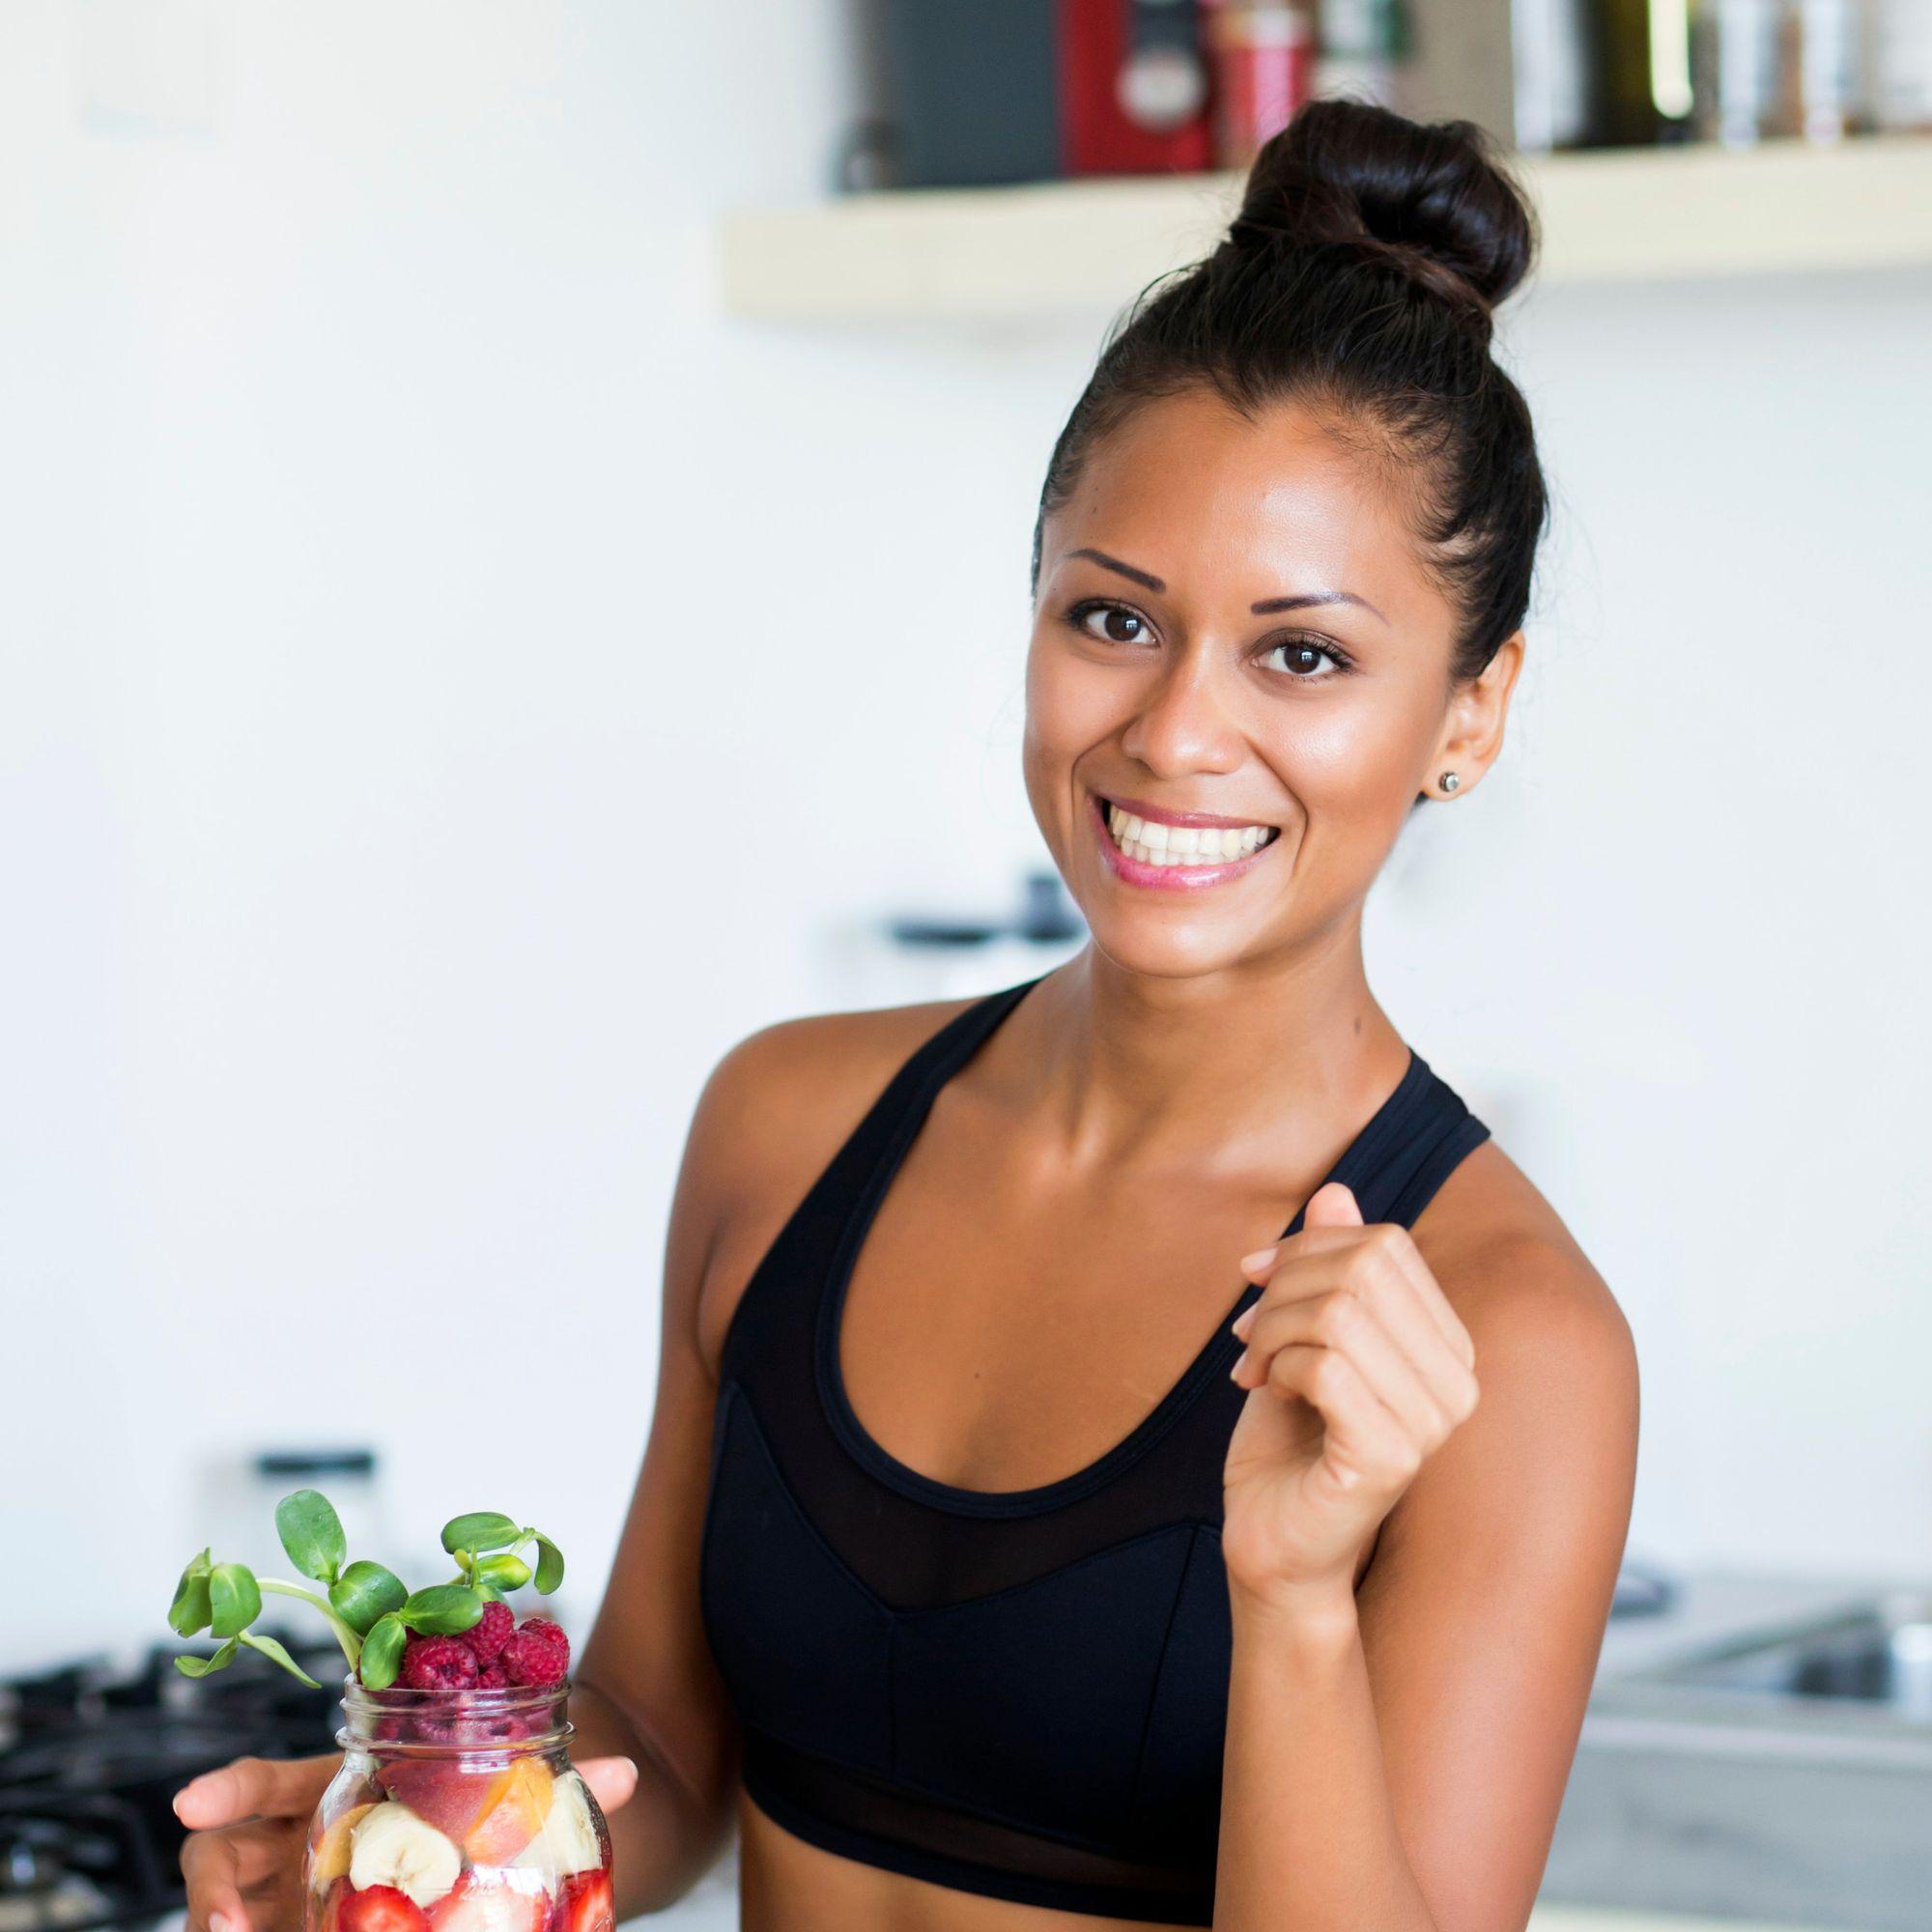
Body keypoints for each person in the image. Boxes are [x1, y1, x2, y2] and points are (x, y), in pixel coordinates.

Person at [174, 96, 1638, 1932]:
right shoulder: (786, 1126)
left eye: (1304, 653)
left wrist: (1292, 1591)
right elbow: (674, 1766)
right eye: (1114, 620)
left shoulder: (1508, 1343)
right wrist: (434, 1835)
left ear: (1472, 715)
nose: (1177, 734)